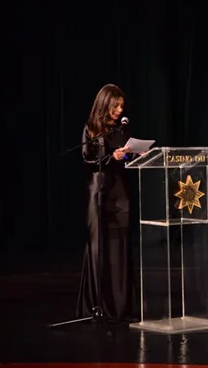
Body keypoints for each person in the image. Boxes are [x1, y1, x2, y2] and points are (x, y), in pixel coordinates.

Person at [76, 83, 138, 323]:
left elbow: (128, 156)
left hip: (120, 192)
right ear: (105, 104)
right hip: (99, 191)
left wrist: (135, 154)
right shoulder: (91, 129)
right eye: (116, 106)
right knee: (98, 245)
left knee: (120, 244)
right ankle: (97, 305)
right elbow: (88, 160)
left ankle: (121, 306)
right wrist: (110, 157)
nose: (120, 110)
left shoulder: (123, 130)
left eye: (122, 106)